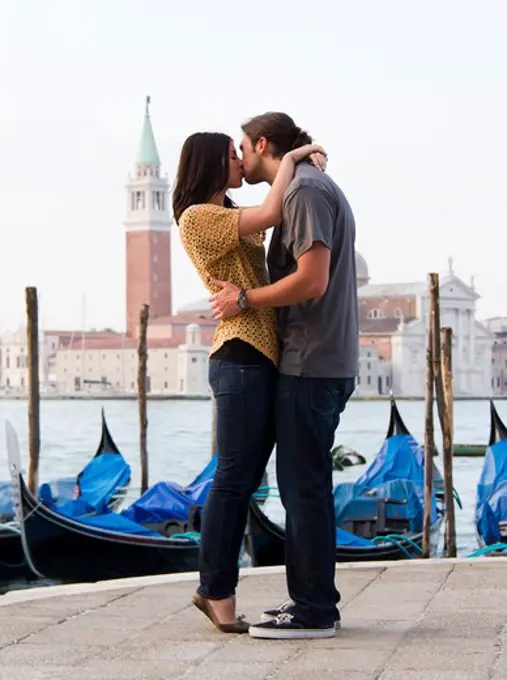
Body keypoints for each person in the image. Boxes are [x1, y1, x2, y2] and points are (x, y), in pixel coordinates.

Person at [209, 112, 359, 640]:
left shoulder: (305, 193)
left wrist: (244, 298)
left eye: (243, 148)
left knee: (304, 490)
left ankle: (316, 609)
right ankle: (310, 602)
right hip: (316, 361)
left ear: (263, 143)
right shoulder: (304, 186)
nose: (240, 158)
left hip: (311, 362)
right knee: (304, 488)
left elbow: (311, 280)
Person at [172, 131, 326, 634]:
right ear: (210, 164)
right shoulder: (199, 217)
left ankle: (215, 587)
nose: (240, 161)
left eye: (242, 152)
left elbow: (266, 210)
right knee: (235, 479)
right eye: (232, 156)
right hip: (239, 356)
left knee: (241, 479)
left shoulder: (222, 212)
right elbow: (271, 213)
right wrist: (297, 157)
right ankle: (215, 590)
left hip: (257, 358)